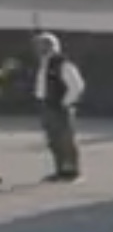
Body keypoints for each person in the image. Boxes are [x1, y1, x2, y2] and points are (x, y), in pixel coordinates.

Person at [29, 32, 85, 182]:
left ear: (50, 46)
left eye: (41, 45)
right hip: (46, 105)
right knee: (53, 140)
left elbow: (76, 86)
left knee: (65, 139)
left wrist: (65, 102)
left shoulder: (62, 63)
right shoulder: (44, 63)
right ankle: (60, 170)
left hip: (58, 106)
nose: (37, 48)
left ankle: (72, 172)